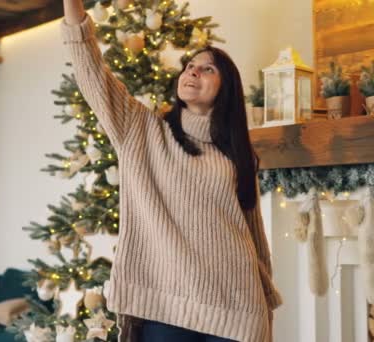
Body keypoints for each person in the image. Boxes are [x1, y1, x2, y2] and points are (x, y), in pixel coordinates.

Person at [61, 1, 282, 341]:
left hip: (237, 306)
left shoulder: (236, 154)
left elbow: (254, 235)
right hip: (167, 307)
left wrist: (266, 305)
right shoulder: (141, 130)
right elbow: (92, 72)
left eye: (207, 69)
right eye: (190, 66)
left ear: (226, 89)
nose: (193, 71)